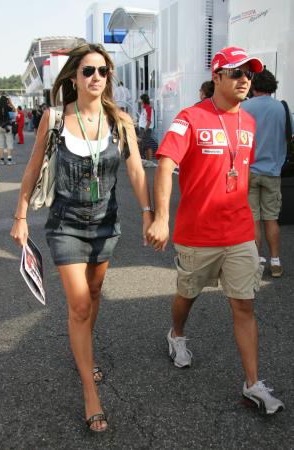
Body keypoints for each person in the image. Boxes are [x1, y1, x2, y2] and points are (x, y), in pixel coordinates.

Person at [10, 43, 153, 432]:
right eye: (88, 70)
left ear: (109, 77)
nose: (95, 77)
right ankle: (90, 390)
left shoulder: (120, 120)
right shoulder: (55, 117)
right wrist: (21, 215)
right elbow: (33, 167)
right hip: (66, 225)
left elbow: (138, 172)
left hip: (106, 225)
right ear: (73, 77)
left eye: (103, 71)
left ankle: (84, 356)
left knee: (92, 297)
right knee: (78, 306)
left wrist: (149, 213)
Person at [147, 46, 285, 415]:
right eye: (236, 72)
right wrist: (161, 217)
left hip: (239, 232)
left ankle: (252, 383)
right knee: (186, 294)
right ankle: (176, 334)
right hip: (197, 233)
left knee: (244, 305)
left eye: (249, 74)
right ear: (218, 76)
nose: (244, 80)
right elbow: (164, 164)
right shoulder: (190, 117)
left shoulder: (250, 123)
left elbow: (237, 173)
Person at [241, 69, 294, 277]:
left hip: (249, 171)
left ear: (254, 86)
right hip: (272, 171)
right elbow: (288, 135)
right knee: (271, 219)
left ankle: (257, 260)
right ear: (273, 86)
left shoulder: (243, 107)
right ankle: (276, 261)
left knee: (253, 219)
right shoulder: (282, 108)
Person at [0, 95, 16, 165]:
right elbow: (14, 110)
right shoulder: (8, 107)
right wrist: (10, 103)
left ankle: (2, 160)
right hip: (7, 127)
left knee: (1, 144)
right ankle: (9, 160)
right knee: (9, 143)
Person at [139, 93, 157, 167]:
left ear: (143, 100)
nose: (140, 101)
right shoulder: (145, 108)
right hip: (144, 128)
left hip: (146, 129)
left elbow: (149, 121)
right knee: (145, 145)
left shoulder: (148, 108)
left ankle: (149, 161)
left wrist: (145, 130)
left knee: (147, 145)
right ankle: (147, 161)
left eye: (141, 99)